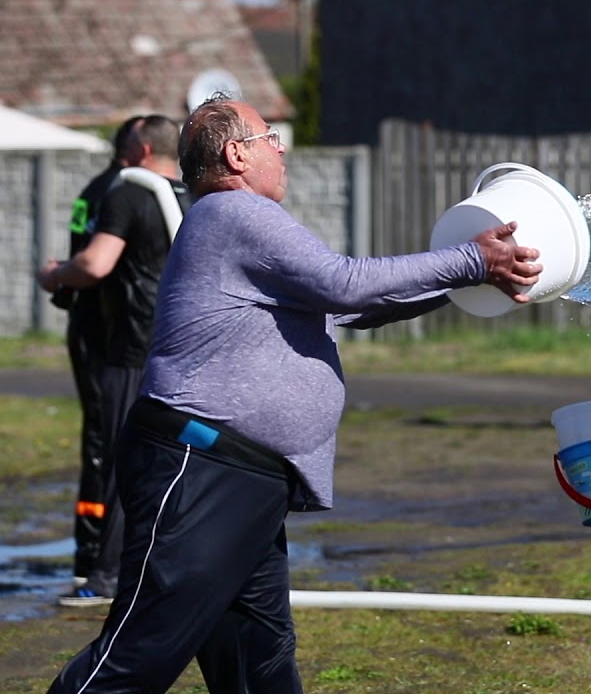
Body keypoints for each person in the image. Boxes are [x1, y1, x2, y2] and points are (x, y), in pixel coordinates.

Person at [44, 92, 542, 694]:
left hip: (243, 477)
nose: (282, 151)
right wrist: (467, 260)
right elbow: (346, 284)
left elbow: (356, 308)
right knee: (139, 652)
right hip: (200, 466)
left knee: (260, 664)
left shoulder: (243, 227)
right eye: (269, 140)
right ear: (235, 155)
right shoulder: (231, 214)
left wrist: (475, 276)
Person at [37, 114, 190, 607]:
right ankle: (168, 566)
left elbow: (97, 263)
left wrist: (56, 274)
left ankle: (104, 577)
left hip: (128, 347)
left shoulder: (128, 193)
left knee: (121, 458)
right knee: (177, 456)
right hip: (181, 346)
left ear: (142, 150)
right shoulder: (194, 198)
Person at [49, 116, 144, 592]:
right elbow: (90, 261)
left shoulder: (98, 188)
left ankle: (94, 551)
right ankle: (95, 554)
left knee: (103, 445)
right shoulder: (119, 191)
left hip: (97, 330)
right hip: (104, 336)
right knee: (106, 447)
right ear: (139, 148)